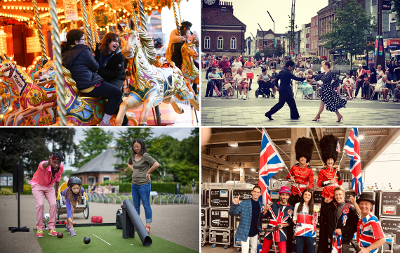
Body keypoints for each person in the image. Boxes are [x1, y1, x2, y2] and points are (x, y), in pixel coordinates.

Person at [61, 29, 122, 126]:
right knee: (117, 93)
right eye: (83, 39)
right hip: (89, 84)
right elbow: (95, 67)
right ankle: (105, 121)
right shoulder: (83, 50)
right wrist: (91, 57)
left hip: (77, 85)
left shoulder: (64, 53)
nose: (85, 41)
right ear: (76, 42)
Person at [94, 32, 128, 125]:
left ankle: (123, 122)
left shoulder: (119, 56)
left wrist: (99, 72)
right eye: (114, 41)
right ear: (107, 42)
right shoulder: (99, 52)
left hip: (117, 78)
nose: (116, 44)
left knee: (115, 93)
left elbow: (115, 73)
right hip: (103, 77)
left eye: (118, 42)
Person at [127, 137, 160, 234]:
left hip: (144, 184)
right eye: (134, 147)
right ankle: (137, 225)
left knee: (146, 205)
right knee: (135, 206)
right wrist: (135, 170)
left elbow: (156, 164)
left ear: (142, 146)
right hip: (134, 184)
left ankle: (148, 225)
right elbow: (129, 164)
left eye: (137, 146)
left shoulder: (145, 156)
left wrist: (148, 172)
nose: (136, 148)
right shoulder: (133, 156)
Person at [30, 152, 64, 238]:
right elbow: (44, 165)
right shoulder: (43, 164)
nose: (56, 165)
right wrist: (48, 163)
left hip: (49, 187)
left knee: (53, 204)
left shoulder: (61, 167)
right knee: (40, 204)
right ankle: (40, 229)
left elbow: (58, 178)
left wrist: (56, 190)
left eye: (58, 163)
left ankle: (51, 228)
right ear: (51, 161)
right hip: (37, 185)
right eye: (54, 162)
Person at [319, 186, 358, 253]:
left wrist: (342, 231)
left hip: (345, 242)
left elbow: (354, 227)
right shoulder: (331, 207)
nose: (338, 196)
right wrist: (325, 203)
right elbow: (324, 214)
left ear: (343, 195)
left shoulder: (351, 209)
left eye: (340, 194)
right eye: (336, 195)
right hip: (333, 240)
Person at [229, 185, 264, 253]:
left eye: (258, 192)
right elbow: (233, 213)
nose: (256, 193)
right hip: (245, 231)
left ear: (260, 194)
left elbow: (260, 219)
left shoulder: (261, 205)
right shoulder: (244, 203)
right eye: (254, 192)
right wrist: (234, 205)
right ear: (252, 192)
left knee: (254, 250)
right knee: (245, 250)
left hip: (255, 232)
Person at [261, 186, 294, 253]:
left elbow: (292, 222)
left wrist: (284, 225)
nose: (285, 197)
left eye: (287, 195)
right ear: (280, 195)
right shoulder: (272, 205)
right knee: (264, 251)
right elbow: (264, 216)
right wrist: (265, 210)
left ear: (289, 196)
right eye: (283, 195)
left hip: (282, 233)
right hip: (269, 232)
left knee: (283, 252)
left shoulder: (291, 208)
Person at [286, 137, 315, 207]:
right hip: (293, 191)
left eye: (304, 157)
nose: (302, 159)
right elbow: (287, 177)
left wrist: (308, 192)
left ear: (307, 158)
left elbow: (311, 183)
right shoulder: (294, 167)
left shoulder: (310, 169)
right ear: (298, 158)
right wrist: (290, 179)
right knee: (290, 208)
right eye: (301, 157)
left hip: (303, 192)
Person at [293, 188, 318, 253]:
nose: (307, 196)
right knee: (299, 251)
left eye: (309, 195)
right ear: (303, 195)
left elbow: (315, 221)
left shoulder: (315, 207)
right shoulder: (297, 205)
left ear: (311, 197)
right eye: (305, 194)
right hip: (299, 233)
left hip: (310, 233)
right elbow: (294, 218)